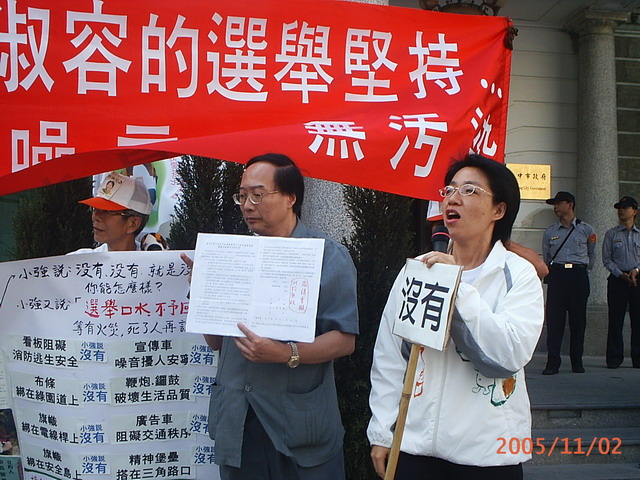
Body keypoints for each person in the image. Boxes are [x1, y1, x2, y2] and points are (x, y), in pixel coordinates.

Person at [368, 154, 544, 479]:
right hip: (415, 446)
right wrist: (382, 430)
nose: (453, 198)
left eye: (470, 190)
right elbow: (390, 356)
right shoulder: (419, 270)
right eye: (449, 189)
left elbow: (508, 354)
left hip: (488, 455)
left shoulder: (518, 275)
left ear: (499, 210)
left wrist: (457, 287)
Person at [184, 154, 359, 479]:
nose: (247, 205)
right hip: (238, 420)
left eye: (258, 195)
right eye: (242, 196)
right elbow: (216, 343)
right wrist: (204, 293)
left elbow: (344, 339)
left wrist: (285, 353)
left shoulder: (327, 254)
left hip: (299, 427)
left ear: (291, 197)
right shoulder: (231, 255)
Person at [541, 191, 596, 375]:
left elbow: (592, 254)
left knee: (578, 321)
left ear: (570, 204)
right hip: (558, 275)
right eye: (554, 204)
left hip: (578, 276)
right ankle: (552, 363)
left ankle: (577, 361)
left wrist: (582, 270)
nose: (556, 207)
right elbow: (547, 256)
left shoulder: (586, 230)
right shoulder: (550, 232)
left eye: (559, 203)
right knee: (554, 321)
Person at [70, 172, 152, 253]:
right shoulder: (79, 259)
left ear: (133, 223)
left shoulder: (153, 260)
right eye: (95, 208)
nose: (96, 216)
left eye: (107, 211)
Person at [602, 196, 640, 369]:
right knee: (615, 320)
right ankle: (614, 358)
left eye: (625, 207)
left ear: (634, 211)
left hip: (637, 280)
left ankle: (637, 358)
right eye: (619, 208)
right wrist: (620, 274)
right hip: (618, 280)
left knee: (637, 320)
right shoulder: (612, 234)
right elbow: (607, 259)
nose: (621, 210)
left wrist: (636, 270)